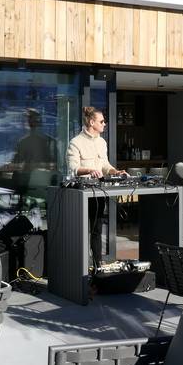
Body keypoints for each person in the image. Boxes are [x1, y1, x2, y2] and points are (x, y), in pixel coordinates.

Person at [66, 107, 125, 269]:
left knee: (97, 229)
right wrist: (89, 170)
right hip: (81, 193)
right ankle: (77, 265)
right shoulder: (76, 142)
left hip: (98, 191)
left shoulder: (102, 142)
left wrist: (115, 171)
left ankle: (98, 263)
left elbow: (105, 165)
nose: (105, 124)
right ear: (92, 123)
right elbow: (73, 168)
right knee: (79, 230)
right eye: (102, 121)